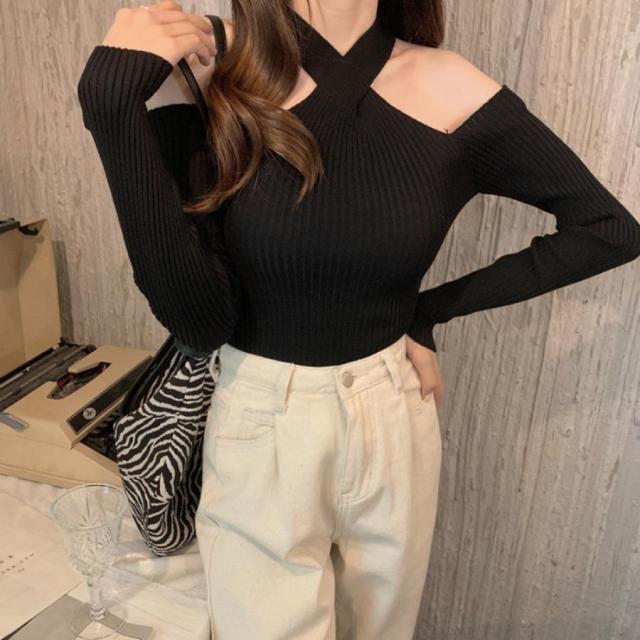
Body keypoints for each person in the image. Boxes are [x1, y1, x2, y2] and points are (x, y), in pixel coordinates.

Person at [76, 0, 640, 638]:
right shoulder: (208, 66)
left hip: (393, 410)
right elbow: (199, 321)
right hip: (262, 419)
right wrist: (112, 107)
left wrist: (426, 312)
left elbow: (608, 229)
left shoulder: (448, 85)